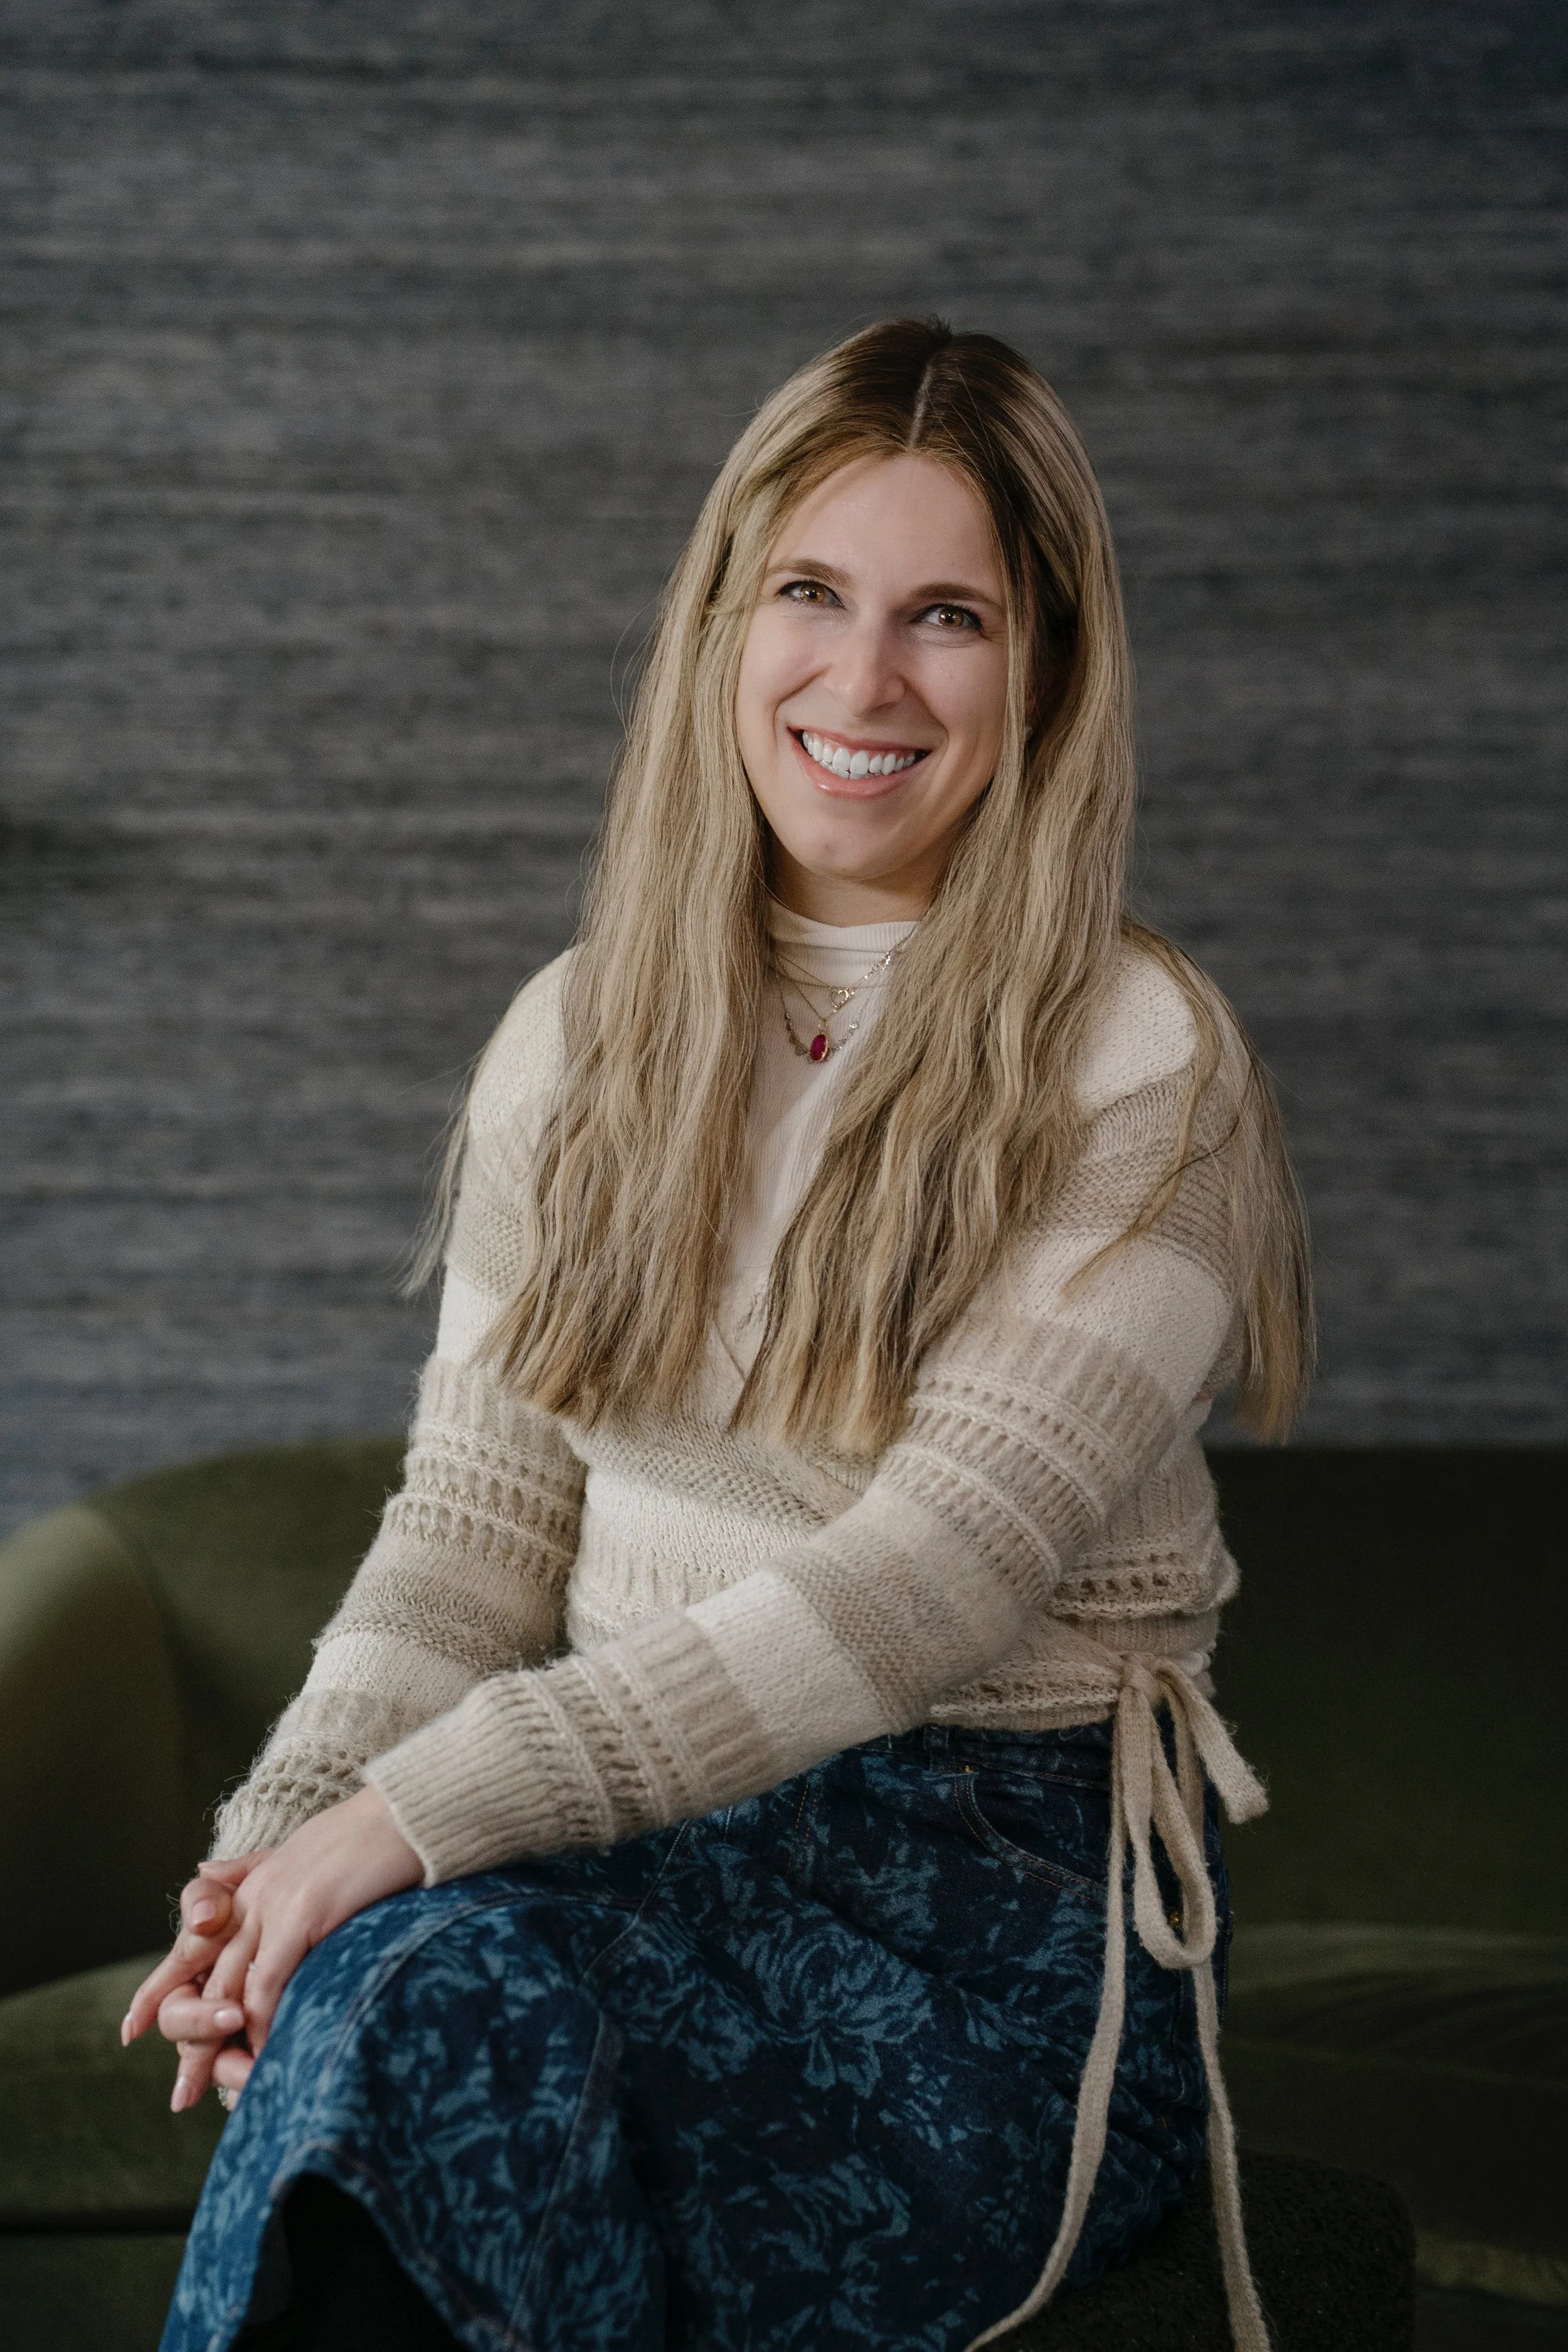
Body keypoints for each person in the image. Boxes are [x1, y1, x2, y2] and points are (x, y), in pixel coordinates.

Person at [124, 317, 1311, 2352]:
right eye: (811, 596)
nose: (863, 681)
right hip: (624, 1860)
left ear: (1047, 671)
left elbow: (922, 1579)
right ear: (720, 623)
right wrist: (271, 1853)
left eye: (948, 616)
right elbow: (477, 1528)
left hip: (984, 1911)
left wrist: (417, 1818)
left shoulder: (1141, 1061)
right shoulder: (580, 1030)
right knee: (403, 1990)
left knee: (432, 1989)